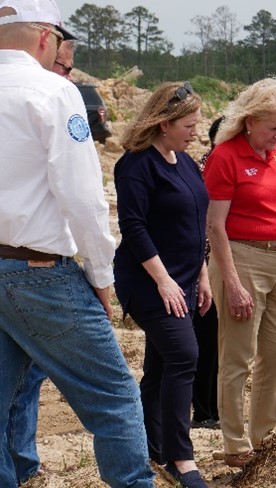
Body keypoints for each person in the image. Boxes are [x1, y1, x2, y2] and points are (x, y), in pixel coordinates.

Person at [0, 0, 155, 486]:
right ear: (45, 36)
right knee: (114, 397)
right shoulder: (53, 91)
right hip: (40, 268)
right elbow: (83, 197)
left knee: (5, 398)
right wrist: (103, 276)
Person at [203, 76, 276, 469]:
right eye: (272, 128)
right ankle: (235, 443)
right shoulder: (225, 157)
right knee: (237, 356)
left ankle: (263, 436)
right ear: (249, 121)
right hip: (241, 259)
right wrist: (231, 283)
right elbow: (215, 225)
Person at [114, 82, 210, 488]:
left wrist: (202, 275)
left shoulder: (184, 161)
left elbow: (196, 220)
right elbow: (133, 227)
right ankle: (180, 458)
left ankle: (147, 447)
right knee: (185, 356)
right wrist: (165, 281)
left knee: (159, 369)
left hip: (185, 281)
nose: (196, 132)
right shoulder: (136, 165)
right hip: (149, 282)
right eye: (188, 125)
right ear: (164, 123)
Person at [5, 37, 75, 485]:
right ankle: (23, 467)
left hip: (30, 261)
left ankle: (21, 464)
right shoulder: (44, 102)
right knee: (113, 392)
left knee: (24, 377)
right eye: (63, 65)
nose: (65, 74)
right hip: (32, 266)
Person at [191, 116, 224, 430]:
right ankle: (204, 410)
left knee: (220, 343)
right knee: (206, 341)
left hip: (229, 266)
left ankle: (215, 408)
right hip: (204, 267)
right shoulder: (203, 170)